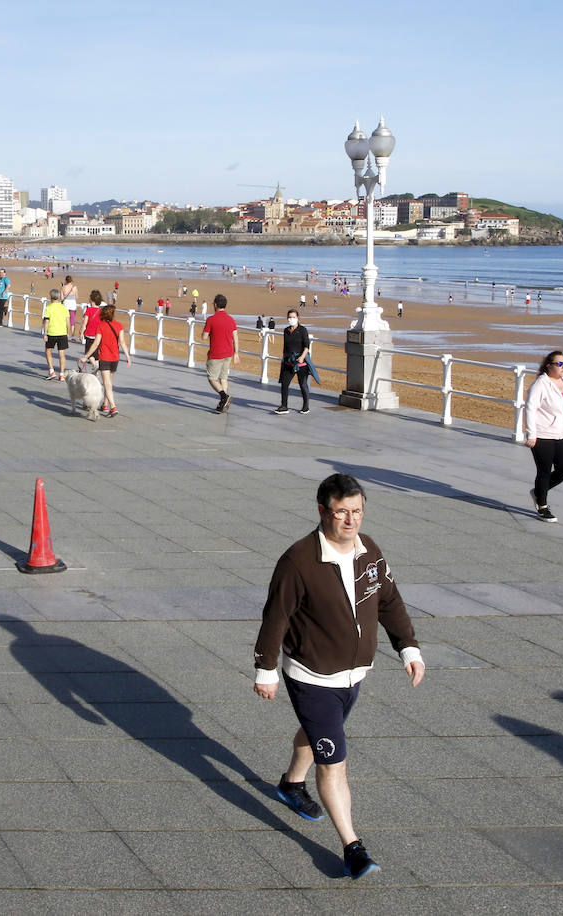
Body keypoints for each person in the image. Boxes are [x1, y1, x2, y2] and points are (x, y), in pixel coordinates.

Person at [252, 473, 424, 880]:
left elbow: (390, 601)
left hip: (354, 673)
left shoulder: (370, 553)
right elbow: (275, 617)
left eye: (357, 511)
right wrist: (265, 669)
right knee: (335, 762)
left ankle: (291, 784)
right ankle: (353, 848)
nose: (351, 521)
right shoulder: (298, 561)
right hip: (312, 675)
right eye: (342, 512)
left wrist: (408, 648)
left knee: (320, 733)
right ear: (322, 511)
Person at [525, 350, 563, 522]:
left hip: (561, 434)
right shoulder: (540, 384)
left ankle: (538, 492)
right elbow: (530, 408)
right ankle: (542, 506)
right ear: (549, 366)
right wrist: (531, 434)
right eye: (559, 364)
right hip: (542, 435)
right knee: (544, 472)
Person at [79, 304, 130, 417]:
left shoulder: (101, 326)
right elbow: (122, 342)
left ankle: (113, 406)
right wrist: (127, 357)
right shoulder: (119, 325)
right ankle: (105, 404)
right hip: (115, 358)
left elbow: (96, 343)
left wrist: (86, 356)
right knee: (109, 383)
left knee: (106, 383)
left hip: (105, 357)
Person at [201, 293, 240, 413]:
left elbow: (204, 337)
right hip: (228, 353)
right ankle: (223, 402)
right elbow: (235, 336)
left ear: (216, 305)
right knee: (223, 378)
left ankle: (224, 396)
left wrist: (207, 333)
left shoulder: (211, 319)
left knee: (212, 378)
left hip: (216, 353)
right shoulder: (231, 319)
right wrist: (236, 353)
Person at [275, 309, 312, 415]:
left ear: (298, 318)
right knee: (284, 384)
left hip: (301, 363)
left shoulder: (303, 330)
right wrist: (284, 358)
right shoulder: (286, 330)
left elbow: (306, 346)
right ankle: (284, 406)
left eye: (293, 317)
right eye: (289, 317)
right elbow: (285, 346)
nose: (291, 319)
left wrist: (302, 357)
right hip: (288, 362)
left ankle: (306, 406)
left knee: (303, 384)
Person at [42, 287, 72, 380]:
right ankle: (62, 374)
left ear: (51, 297)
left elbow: (46, 321)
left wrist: (45, 333)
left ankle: (52, 371)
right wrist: (68, 332)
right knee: (62, 354)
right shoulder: (64, 308)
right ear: (58, 297)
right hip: (62, 333)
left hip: (52, 332)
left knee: (48, 351)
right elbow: (68, 322)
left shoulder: (48, 308)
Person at [78, 290, 103, 368]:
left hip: (89, 334)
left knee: (89, 353)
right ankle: (96, 369)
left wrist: (81, 333)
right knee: (96, 354)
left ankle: (95, 366)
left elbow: (84, 323)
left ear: (92, 300)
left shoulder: (89, 310)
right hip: (98, 335)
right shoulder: (101, 311)